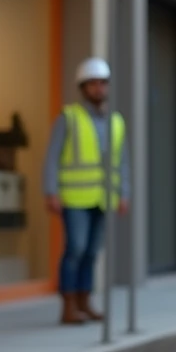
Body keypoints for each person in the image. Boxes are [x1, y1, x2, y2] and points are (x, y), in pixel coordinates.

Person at [43, 58, 129, 326]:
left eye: (103, 83)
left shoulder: (115, 121)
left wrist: (124, 192)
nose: (98, 89)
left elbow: (122, 160)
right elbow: (52, 158)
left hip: (102, 198)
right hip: (75, 198)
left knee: (92, 252)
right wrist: (50, 191)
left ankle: (85, 302)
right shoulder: (68, 118)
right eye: (93, 84)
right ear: (83, 87)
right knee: (76, 249)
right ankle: (68, 305)